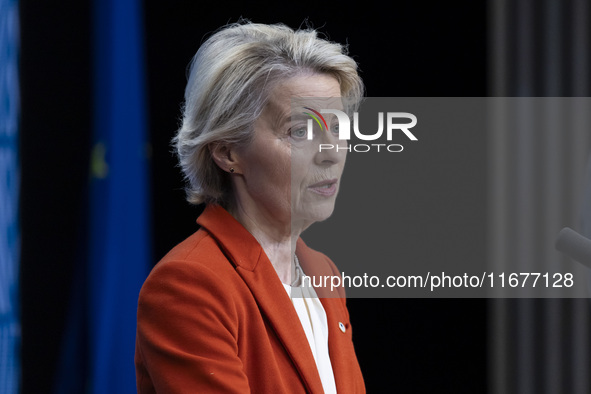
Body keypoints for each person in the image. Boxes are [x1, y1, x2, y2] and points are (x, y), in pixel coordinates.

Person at [135, 22, 365, 393]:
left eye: (336, 127)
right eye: (300, 131)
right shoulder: (189, 284)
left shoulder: (323, 271)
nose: (332, 153)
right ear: (227, 152)